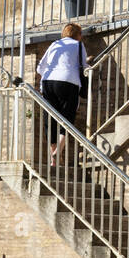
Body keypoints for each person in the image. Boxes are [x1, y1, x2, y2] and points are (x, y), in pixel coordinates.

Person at [33, 23, 87, 163]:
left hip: (48, 82)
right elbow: (84, 67)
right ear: (77, 34)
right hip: (69, 81)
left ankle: (54, 158)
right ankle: (59, 151)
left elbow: (40, 68)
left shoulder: (55, 44)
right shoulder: (79, 45)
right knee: (67, 117)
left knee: (50, 118)